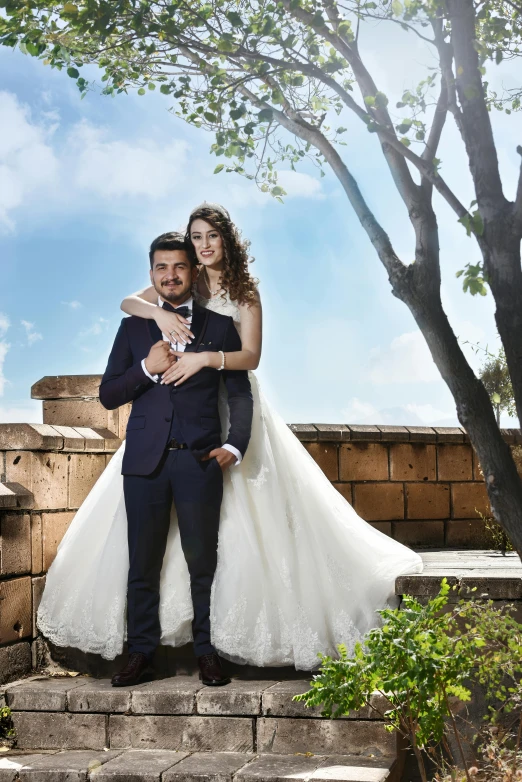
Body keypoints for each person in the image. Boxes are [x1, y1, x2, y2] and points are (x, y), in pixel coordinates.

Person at [37, 203, 423, 681]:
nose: (202, 246)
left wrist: (207, 367)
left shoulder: (240, 294)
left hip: (218, 400)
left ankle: (211, 646)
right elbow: (129, 309)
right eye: (195, 237)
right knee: (145, 555)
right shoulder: (180, 282)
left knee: (216, 547)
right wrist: (158, 319)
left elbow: (251, 358)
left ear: (227, 241)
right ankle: (144, 647)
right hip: (155, 439)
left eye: (211, 237)